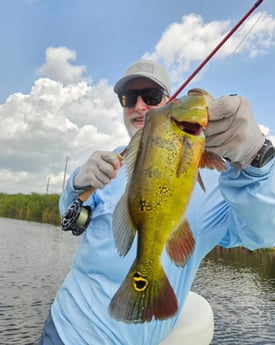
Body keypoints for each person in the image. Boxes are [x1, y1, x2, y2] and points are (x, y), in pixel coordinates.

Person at [39, 59, 275, 345]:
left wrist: (256, 160)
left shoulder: (220, 179)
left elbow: (266, 231)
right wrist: (76, 184)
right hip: (63, 326)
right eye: (128, 98)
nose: (138, 106)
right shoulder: (110, 162)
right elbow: (69, 217)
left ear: (169, 101)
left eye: (150, 96)